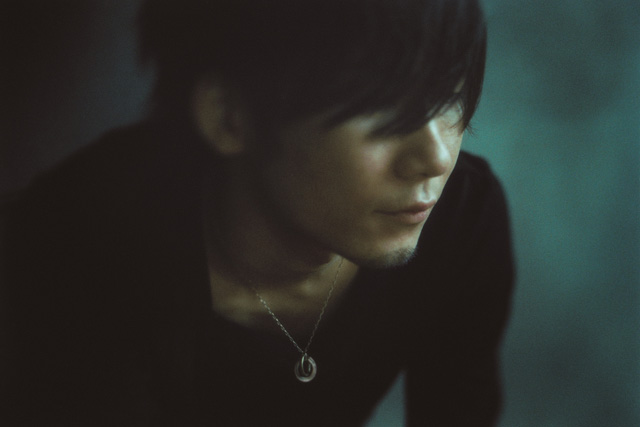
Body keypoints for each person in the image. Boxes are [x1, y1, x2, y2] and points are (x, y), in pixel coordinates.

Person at [0, 0, 514, 425]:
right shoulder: (82, 238)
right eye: (381, 110)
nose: (436, 158)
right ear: (229, 116)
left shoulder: (461, 217)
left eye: (448, 93)